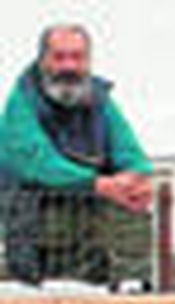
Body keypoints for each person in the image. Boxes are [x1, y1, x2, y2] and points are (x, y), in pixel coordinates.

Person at [0, 23, 153, 286]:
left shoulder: (101, 100)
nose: (69, 66)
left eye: (77, 57)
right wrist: (99, 184)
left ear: (88, 60)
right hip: (33, 209)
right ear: (42, 60)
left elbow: (128, 150)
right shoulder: (20, 103)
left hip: (89, 203)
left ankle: (133, 285)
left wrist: (135, 177)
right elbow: (38, 163)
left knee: (132, 195)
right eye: (59, 57)